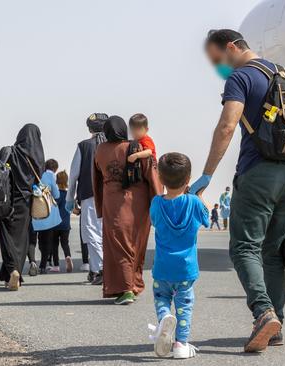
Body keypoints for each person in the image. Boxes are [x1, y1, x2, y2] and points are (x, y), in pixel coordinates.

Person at [192, 29, 285, 353]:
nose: (219, 69)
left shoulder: (241, 78)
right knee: (272, 251)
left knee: (244, 248)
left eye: (218, 60)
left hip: (258, 173)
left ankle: (263, 313)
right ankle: (277, 324)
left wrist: (207, 174)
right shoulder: (282, 74)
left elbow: (228, 125)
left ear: (231, 47)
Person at [93, 116, 162, 305]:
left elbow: (96, 181)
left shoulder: (100, 150)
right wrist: (158, 204)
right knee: (135, 246)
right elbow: (152, 175)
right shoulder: (137, 147)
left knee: (118, 246)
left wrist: (99, 207)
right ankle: (133, 285)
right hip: (139, 206)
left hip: (113, 205)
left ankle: (125, 289)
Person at [148, 153, 209, 359]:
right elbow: (206, 220)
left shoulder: (156, 203)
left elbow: (155, 222)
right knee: (184, 306)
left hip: (162, 267)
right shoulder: (194, 203)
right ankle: (181, 344)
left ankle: (165, 317)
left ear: (161, 179)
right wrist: (199, 197)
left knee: (161, 299)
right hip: (186, 269)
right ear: (188, 179)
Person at [0, 124, 45, 290]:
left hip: (5, 201)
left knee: (6, 238)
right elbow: (38, 181)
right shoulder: (37, 157)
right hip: (25, 202)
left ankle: (13, 271)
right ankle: (12, 274)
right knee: (20, 240)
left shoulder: (8, 151)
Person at [67, 113, 107, 284]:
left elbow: (73, 175)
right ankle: (94, 269)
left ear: (90, 128)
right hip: (112, 198)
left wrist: (70, 198)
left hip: (90, 197)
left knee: (91, 233)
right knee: (105, 234)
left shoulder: (83, 146)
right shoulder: (115, 145)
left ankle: (99, 270)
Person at [32, 159, 62, 274]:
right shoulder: (50, 176)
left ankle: (35, 261)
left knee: (39, 239)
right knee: (48, 239)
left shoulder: (37, 174)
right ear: (55, 168)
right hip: (48, 213)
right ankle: (43, 265)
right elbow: (57, 194)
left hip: (36, 211)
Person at [53, 171, 73, 272]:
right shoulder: (68, 195)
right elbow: (72, 208)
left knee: (55, 244)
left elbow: (53, 207)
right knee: (65, 243)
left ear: (57, 181)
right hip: (66, 224)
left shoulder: (57, 195)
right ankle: (68, 256)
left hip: (56, 224)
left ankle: (56, 265)